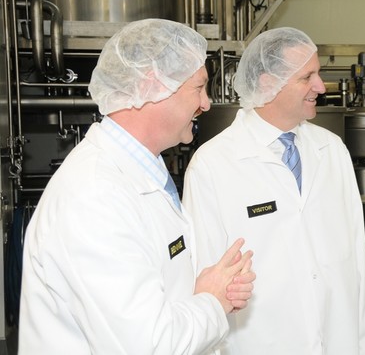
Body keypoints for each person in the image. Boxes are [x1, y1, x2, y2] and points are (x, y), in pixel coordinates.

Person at [18, 19, 256, 354]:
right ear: (153, 85)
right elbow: (149, 345)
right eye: (199, 88)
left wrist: (206, 289)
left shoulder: (142, 171)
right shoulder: (94, 195)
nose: (206, 104)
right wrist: (211, 301)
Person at [182, 27, 365, 354]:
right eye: (307, 78)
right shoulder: (213, 165)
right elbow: (206, 289)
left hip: (339, 342)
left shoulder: (332, 151)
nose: (321, 86)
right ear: (267, 83)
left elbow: (358, 267)